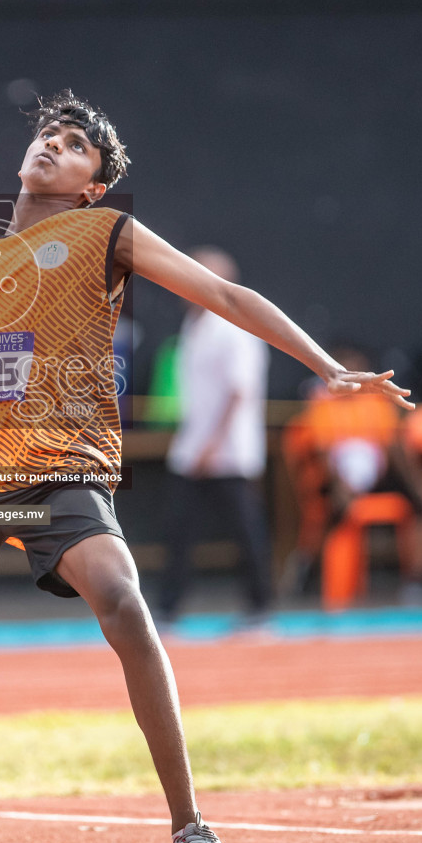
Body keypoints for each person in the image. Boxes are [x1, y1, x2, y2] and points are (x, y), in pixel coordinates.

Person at [0, 90, 412, 843]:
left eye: (73, 146)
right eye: (48, 136)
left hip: (61, 467)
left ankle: (191, 828)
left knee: (124, 600)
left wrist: (329, 368)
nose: (52, 147)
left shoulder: (105, 233)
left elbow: (225, 295)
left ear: (91, 187)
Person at [157, 246, 274, 625]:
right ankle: (167, 611)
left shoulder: (236, 327)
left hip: (229, 452)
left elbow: (240, 390)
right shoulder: (194, 324)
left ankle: (260, 611)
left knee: (245, 532)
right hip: (193, 449)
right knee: (178, 531)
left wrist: (212, 443)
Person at [281, 346, 422, 598]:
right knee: (333, 510)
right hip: (336, 480)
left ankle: (416, 580)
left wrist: (416, 481)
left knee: (419, 502)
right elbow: (321, 451)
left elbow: (394, 447)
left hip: (375, 477)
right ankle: (311, 572)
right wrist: (340, 484)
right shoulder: (322, 402)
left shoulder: (377, 403)